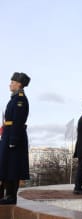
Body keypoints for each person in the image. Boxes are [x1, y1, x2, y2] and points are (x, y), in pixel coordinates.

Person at [0, 72, 31, 205]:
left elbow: (18, 121)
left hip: (14, 136)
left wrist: (13, 139)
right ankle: (8, 195)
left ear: (19, 84)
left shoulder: (20, 99)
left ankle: (11, 196)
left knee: (13, 167)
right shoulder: (14, 98)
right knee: (6, 166)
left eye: (12, 82)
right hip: (9, 134)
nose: (10, 84)